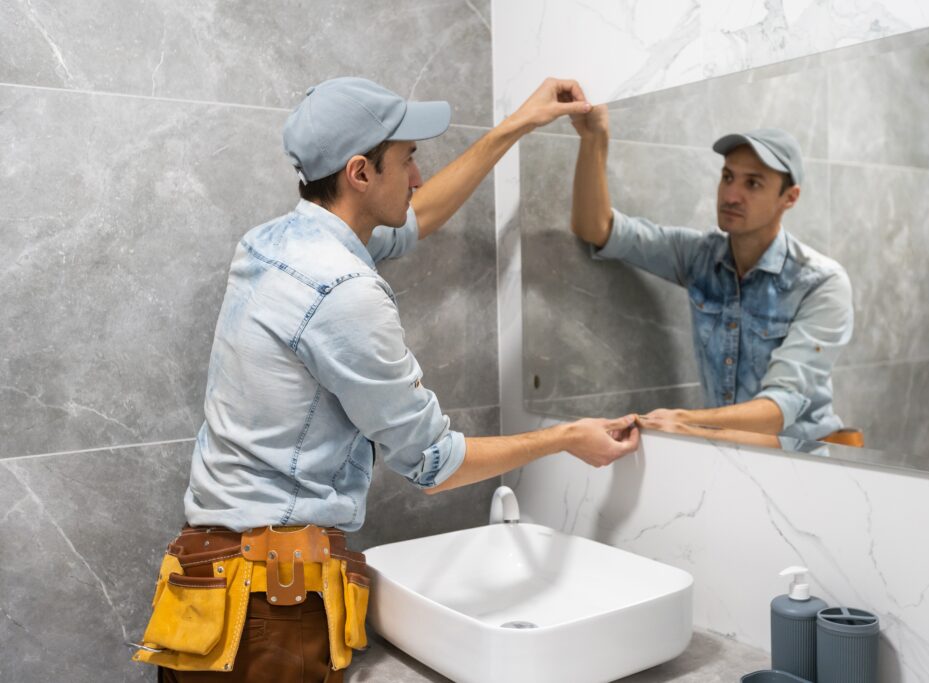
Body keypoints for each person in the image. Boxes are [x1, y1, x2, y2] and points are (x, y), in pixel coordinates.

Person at [133, 77, 639, 682]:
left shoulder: (272, 244)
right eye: (408, 159)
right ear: (360, 173)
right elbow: (435, 463)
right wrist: (564, 438)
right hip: (269, 613)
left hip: (206, 583)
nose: (418, 176)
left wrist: (515, 125)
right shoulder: (344, 292)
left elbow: (417, 217)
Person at [568, 104, 853, 445]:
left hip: (802, 463)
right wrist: (594, 139)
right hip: (726, 454)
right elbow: (596, 228)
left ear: (789, 198)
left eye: (753, 183)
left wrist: (685, 421)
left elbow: (778, 410)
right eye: (728, 177)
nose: (731, 195)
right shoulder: (701, 256)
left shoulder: (821, 283)